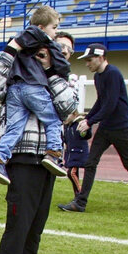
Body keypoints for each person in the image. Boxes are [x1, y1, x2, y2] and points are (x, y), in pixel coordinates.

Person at [0, 39, 78, 254]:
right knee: (19, 222)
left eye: (65, 50)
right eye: (54, 47)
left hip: (48, 162)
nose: (60, 52)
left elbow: (69, 108)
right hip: (23, 158)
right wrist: (14, 48)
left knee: (36, 223)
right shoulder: (17, 76)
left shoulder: (63, 79)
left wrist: (52, 73)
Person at [0, 6, 70, 185]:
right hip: (34, 87)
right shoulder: (45, 43)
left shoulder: (17, 43)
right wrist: (54, 63)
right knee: (53, 120)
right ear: (41, 27)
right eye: (54, 27)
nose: (55, 33)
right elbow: (63, 66)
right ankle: (54, 153)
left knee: (14, 128)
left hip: (14, 88)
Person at [58, 43, 128, 212]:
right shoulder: (99, 77)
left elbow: (110, 104)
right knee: (90, 162)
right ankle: (80, 202)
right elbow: (101, 101)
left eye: (89, 60)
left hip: (119, 128)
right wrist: (87, 117)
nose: (87, 63)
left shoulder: (113, 74)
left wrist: (90, 122)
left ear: (101, 58)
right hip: (105, 127)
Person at [54, 32, 90, 199]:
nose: (65, 51)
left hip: (61, 131)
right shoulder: (37, 73)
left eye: (69, 48)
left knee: (67, 168)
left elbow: (70, 108)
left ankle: (80, 197)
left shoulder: (71, 78)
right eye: (61, 46)